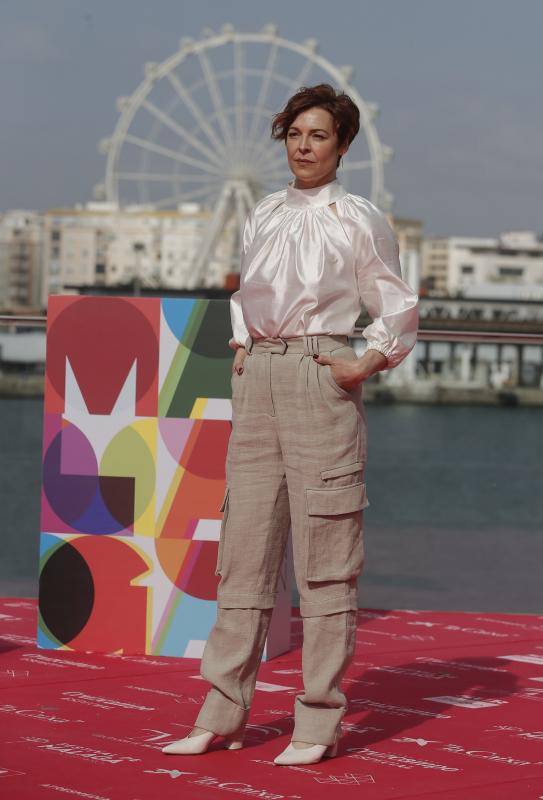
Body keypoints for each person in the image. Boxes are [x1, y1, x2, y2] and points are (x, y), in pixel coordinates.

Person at [163, 83, 419, 765]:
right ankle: (221, 714)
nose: (303, 147)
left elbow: (394, 305)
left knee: (325, 561)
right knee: (242, 555)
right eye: (294, 134)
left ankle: (317, 721)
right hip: (258, 381)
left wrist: (360, 364)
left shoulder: (357, 218)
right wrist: (244, 346)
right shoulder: (265, 210)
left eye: (318, 136)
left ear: (341, 146)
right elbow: (248, 290)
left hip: (318, 376)